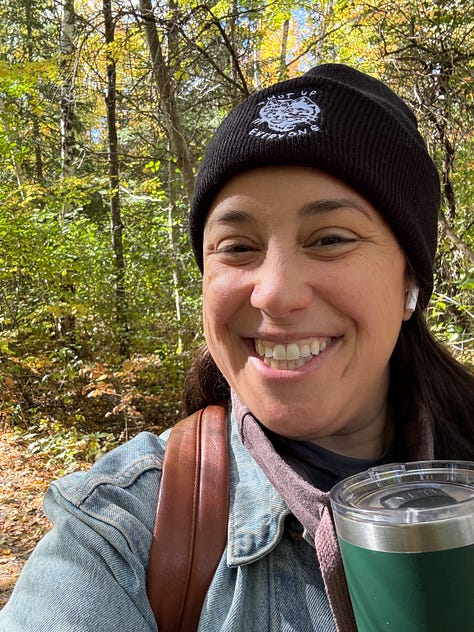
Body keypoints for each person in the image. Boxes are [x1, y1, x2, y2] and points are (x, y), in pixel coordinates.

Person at [1, 63, 473, 632]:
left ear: (409, 283)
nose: (274, 293)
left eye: (330, 239)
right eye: (237, 247)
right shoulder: (124, 531)